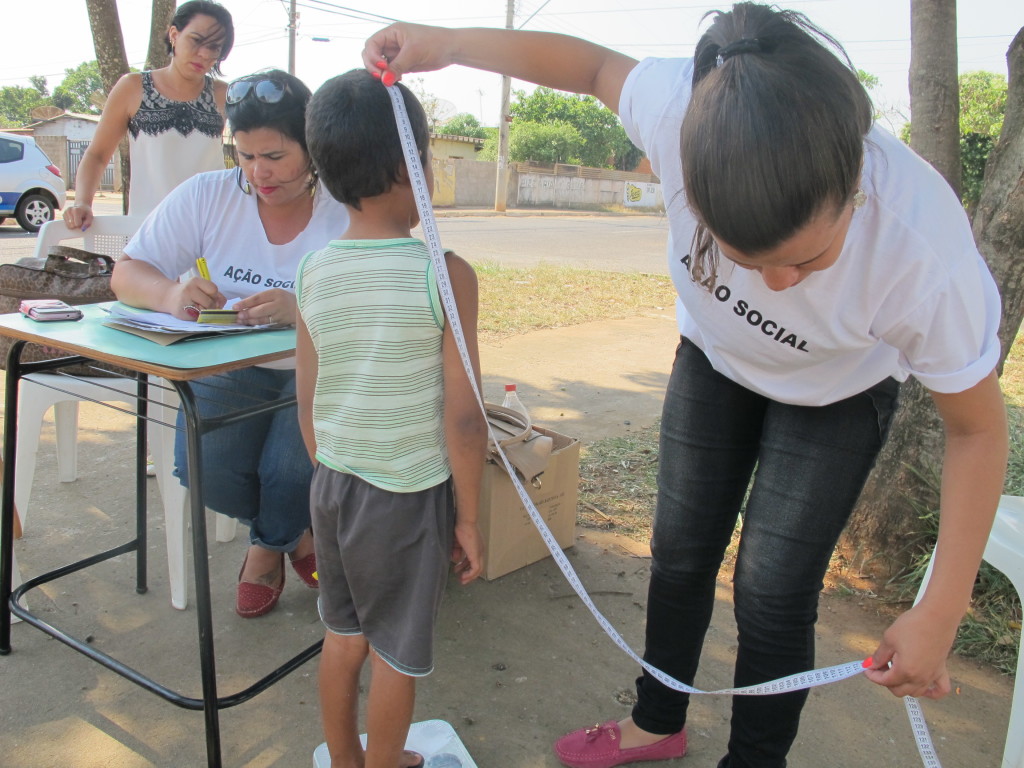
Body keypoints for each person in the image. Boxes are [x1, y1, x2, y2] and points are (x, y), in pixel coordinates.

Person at [362, 4, 1009, 768]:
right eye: (744, 254)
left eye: (806, 259)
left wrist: (942, 606)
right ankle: (655, 721)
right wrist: (452, 44)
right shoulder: (680, 110)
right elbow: (592, 68)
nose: (777, 283)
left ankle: (754, 761)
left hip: (837, 396)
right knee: (679, 550)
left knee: (772, 590)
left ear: (855, 188)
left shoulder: (921, 248)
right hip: (713, 360)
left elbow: (976, 429)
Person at [296, 69, 486, 768]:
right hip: (404, 498)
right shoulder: (444, 273)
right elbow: (465, 420)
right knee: (397, 657)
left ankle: (347, 762)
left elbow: (307, 394)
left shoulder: (314, 269)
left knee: (342, 638)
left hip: (335, 486)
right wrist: (467, 518)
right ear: (413, 165)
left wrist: (331, 471)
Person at [111, 70, 350, 619]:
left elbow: (384, 297)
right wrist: (170, 292)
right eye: (243, 156)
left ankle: (265, 548)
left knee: (288, 472)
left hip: (316, 372)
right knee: (204, 470)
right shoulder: (208, 196)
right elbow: (126, 273)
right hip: (226, 363)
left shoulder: (344, 206)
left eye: (274, 156)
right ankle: (296, 537)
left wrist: (303, 309)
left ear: (312, 148)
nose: (258, 173)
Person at [64, 0, 234, 231]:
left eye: (214, 47)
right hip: (147, 231)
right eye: (196, 40)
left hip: (211, 231)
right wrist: (82, 202)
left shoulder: (226, 95)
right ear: (174, 34)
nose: (204, 53)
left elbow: (250, 159)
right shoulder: (133, 87)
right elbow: (97, 154)